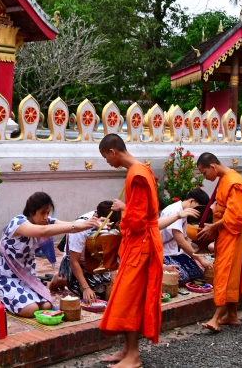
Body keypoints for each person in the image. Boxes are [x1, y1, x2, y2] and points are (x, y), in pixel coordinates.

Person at [97, 134, 163, 368]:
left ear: (114, 152)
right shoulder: (140, 171)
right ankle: (127, 349)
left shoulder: (137, 174)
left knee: (129, 298)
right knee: (127, 295)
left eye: (106, 157)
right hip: (138, 243)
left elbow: (137, 220)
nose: (107, 162)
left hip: (141, 243)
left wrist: (123, 210)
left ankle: (133, 355)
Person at [0, 192, 100, 318]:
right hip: (6, 278)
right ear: (32, 211)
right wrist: (84, 224)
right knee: (31, 310)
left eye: (48, 213)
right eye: (42, 213)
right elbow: (44, 231)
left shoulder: (46, 222)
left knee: (46, 306)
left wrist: (92, 222)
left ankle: (13, 299)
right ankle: (3, 300)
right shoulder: (18, 222)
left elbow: (71, 224)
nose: (45, 217)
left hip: (27, 278)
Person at [195, 152, 242, 332]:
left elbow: (238, 215)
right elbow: (224, 207)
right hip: (226, 233)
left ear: (213, 166)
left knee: (228, 274)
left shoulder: (233, 181)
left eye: (204, 173)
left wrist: (213, 227)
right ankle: (232, 315)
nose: (205, 178)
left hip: (234, 234)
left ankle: (216, 318)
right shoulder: (225, 179)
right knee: (229, 272)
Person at [51, 201, 121, 304]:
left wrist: (113, 279)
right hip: (78, 262)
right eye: (107, 225)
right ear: (97, 217)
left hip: (96, 259)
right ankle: (61, 278)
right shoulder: (80, 229)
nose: (109, 228)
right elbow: (73, 261)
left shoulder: (110, 224)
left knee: (115, 287)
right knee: (97, 294)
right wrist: (85, 288)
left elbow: (110, 253)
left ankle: (70, 279)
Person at [159, 189, 213, 285]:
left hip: (176, 253)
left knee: (198, 273)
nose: (198, 212)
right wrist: (200, 259)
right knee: (182, 277)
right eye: (198, 208)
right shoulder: (174, 211)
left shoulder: (183, 211)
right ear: (191, 201)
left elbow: (185, 239)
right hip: (164, 253)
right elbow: (181, 241)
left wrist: (197, 258)